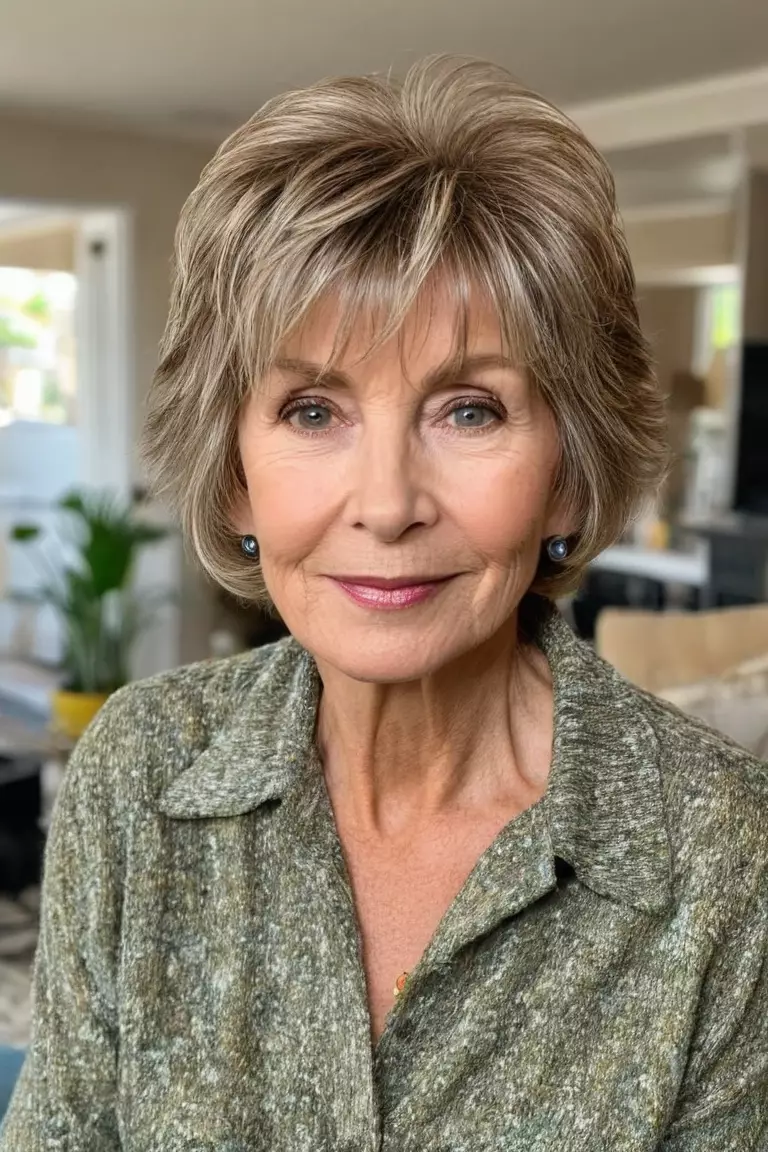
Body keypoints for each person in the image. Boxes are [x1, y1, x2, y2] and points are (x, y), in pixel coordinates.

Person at [1, 55, 766, 1152]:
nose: (389, 504)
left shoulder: (728, 861)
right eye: (313, 410)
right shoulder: (140, 773)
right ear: (233, 470)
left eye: (470, 410)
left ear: (568, 468)